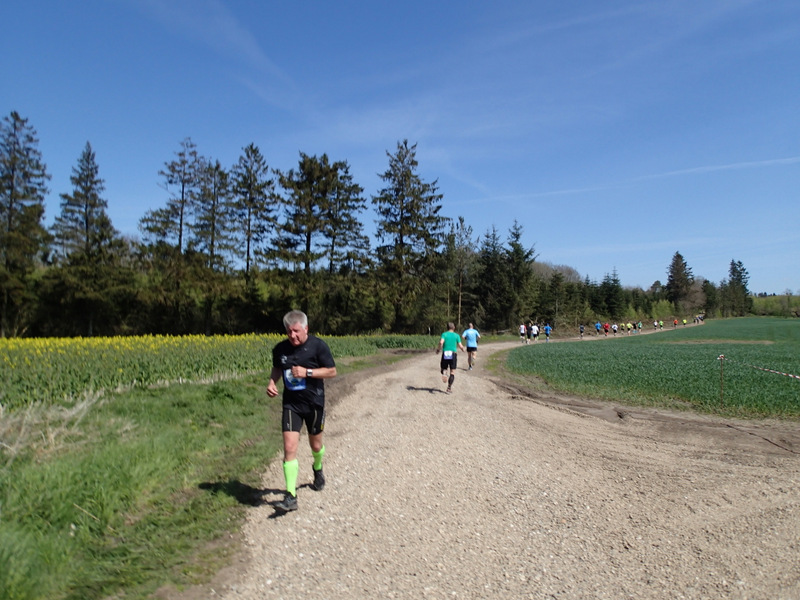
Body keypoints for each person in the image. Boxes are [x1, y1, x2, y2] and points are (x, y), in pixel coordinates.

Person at [266, 310, 337, 512]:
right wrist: (272, 382)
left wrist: (307, 372)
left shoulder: (318, 346)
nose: (293, 336)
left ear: (306, 328)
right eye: (289, 332)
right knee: (289, 448)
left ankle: (317, 467)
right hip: (291, 405)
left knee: (316, 446)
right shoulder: (280, 349)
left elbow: (332, 371)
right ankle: (290, 496)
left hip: (314, 403)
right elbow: (277, 367)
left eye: (297, 331)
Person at [438, 322, 466, 393]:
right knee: (452, 372)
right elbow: (460, 345)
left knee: (444, 368)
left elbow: (441, 342)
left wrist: (438, 349)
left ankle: (444, 373)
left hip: (445, 353)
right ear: (454, 328)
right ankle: (449, 388)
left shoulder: (444, 334)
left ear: (447, 328)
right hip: (453, 354)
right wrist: (463, 349)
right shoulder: (456, 335)